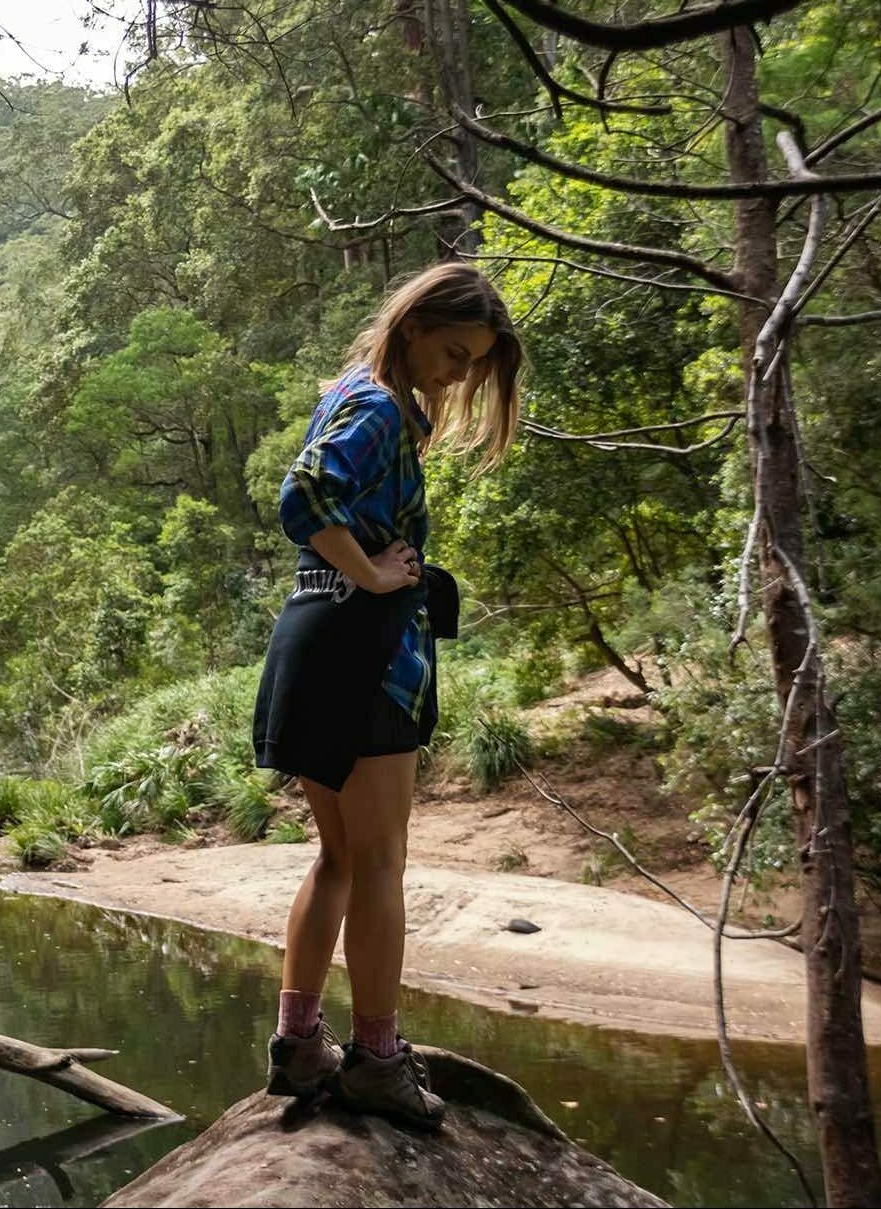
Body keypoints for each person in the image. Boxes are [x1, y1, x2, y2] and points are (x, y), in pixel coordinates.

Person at [253, 262, 522, 1129]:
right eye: (452, 352)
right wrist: (372, 570)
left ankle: (299, 1048)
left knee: (338, 857)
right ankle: (375, 1060)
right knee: (379, 865)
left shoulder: (350, 394)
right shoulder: (375, 408)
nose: (457, 374)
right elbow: (303, 493)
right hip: (364, 653)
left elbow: (313, 493)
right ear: (411, 327)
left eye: (472, 364)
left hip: (317, 639)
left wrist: (362, 571)